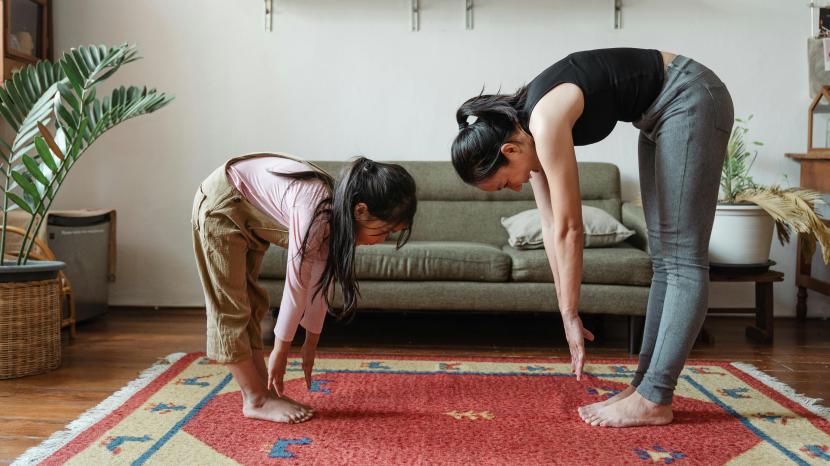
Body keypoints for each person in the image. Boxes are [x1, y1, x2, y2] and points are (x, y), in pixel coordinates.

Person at [451, 48, 733, 427]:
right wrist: (564, 308)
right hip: (657, 114)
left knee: (682, 258)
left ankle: (655, 397)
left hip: (689, 96)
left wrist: (571, 313)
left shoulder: (545, 121)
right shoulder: (526, 133)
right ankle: (645, 388)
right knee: (665, 260)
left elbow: (571, 228)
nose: (514, 187)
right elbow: (550, 226)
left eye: (505, 182)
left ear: (509, 150)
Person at [192, 152, 417, 423]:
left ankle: (264, 394)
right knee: (229, 307)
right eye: (385, 231)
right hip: (222, 205)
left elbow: (317, 284)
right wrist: (281, 350)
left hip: (246, 211)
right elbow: (296, 283)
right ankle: (257, 399)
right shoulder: (316, 209)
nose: (382, 240)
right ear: (361, 210)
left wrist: (310, 345)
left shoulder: (336, 217)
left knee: (252, 303)